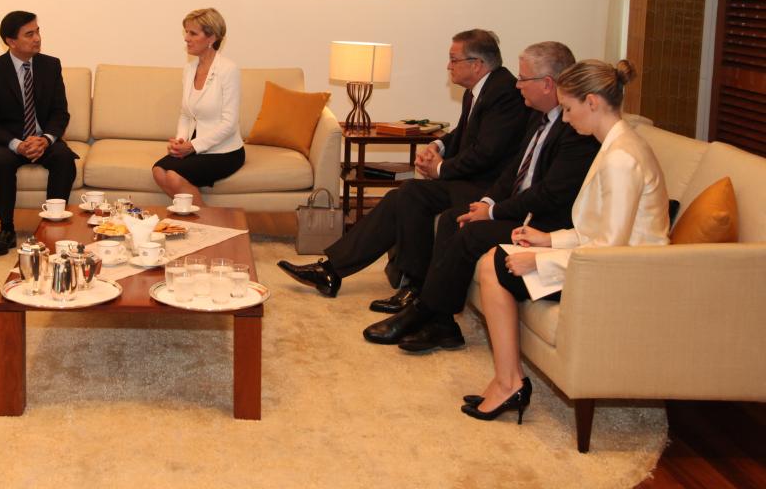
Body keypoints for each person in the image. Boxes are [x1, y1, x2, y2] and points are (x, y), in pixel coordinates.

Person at [463, 59, 669, 423]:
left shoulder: (621, 158)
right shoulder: (615, 144)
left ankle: (509, 382)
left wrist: (540, 261)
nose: (567, 119)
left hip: (630, 278)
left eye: (569, 108)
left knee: (494, 263)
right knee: (492, 260)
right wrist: (548, 239)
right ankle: (508, 380)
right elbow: (600, 230)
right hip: (612, 263)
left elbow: (610, 252)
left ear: (592, 102)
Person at [362, 42, 599, 349]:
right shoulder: (539, 116)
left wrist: (492, 213)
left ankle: (424, 311)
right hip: (520, 208)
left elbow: (548, 194)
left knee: (469, 233)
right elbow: (515, 170)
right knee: (451, 219)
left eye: (523, 79)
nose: (517, 84)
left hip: (544, 221)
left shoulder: (575, 130)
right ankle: (442, 323)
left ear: (547, 84)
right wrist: (487, 202)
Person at [278, 29, 528, 299]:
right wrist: (437, 145)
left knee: (410, 194)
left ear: (476, 64)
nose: (448, 66)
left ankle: (412, 286)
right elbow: (463, 132)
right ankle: (333, 270)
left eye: (453, 60)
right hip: (471, 180)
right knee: (403, 196)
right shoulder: (478, 90)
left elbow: (486, 152)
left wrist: (440, 169)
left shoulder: (504, 93)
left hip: (489, 189)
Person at [0, 10, 78, 256]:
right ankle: (6, 229)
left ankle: (52, 223)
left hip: (41, 140)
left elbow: (60, 113)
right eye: (29, 34)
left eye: (38, 31)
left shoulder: (50, 66)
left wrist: (45, 140)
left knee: (64, 158)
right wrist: (17, 144)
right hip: (7, 142)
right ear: (11, 42)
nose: (37, 38)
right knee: (1, 162)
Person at [152, 8, 245, 205]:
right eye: (186, 32)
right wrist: (180, 141)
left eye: (192, 33)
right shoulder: (189, 69)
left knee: (174, 176)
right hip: (195, 145)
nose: (186, 38)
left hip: (224, 151)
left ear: (211, 37)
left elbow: (229, 124)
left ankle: (206, 224)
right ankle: (196, 219)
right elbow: (186, 114)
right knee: (159, 171)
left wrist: (192, 146)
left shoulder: (228, 70)